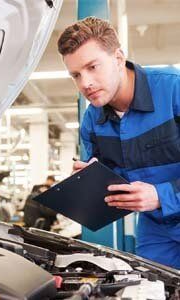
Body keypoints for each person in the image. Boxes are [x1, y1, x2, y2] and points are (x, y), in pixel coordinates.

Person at [57, 16, 180, 269]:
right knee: (152, 290)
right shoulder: (92, 121)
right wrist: (91, 181)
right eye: (76, 75)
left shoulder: (173, 90)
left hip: (163, 207)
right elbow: (115, 185)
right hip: (155, 227)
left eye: (93, 67)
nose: (85, 83)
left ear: (118, 58)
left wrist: (161, 195)